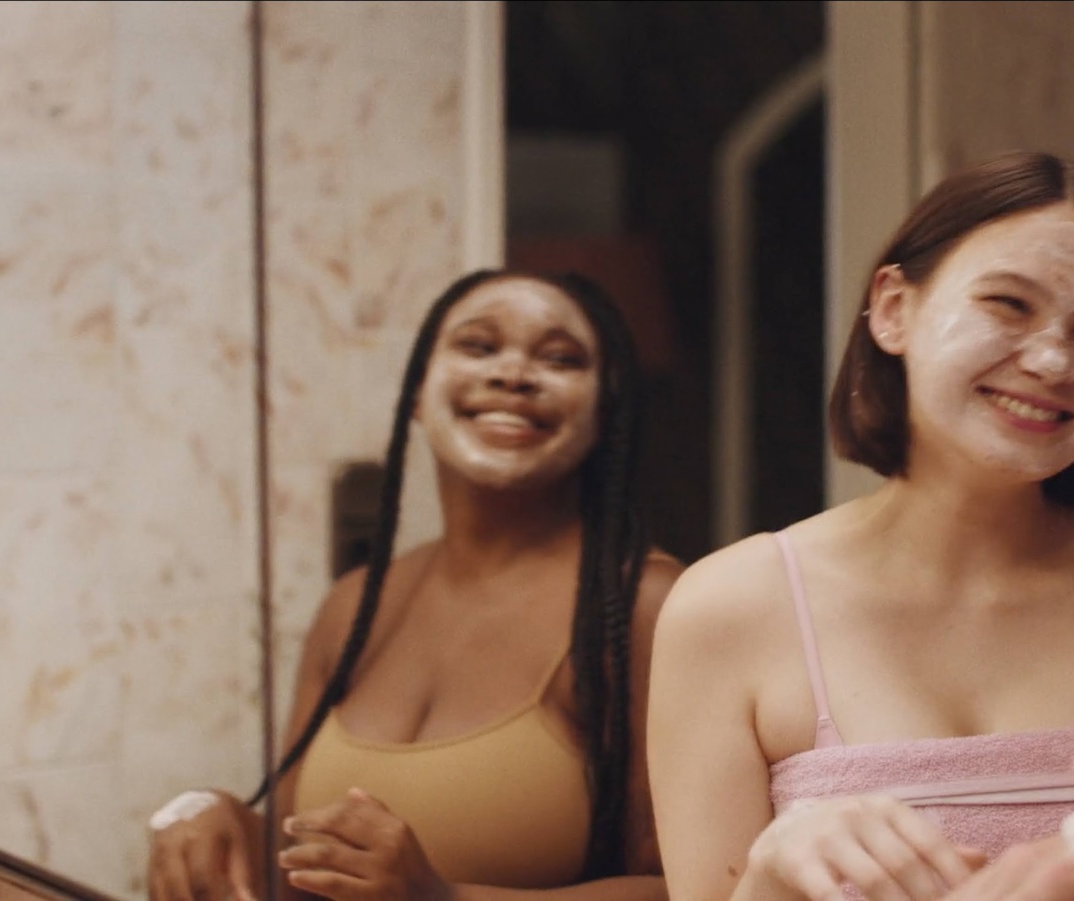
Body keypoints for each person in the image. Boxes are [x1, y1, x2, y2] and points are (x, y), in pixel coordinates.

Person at [648, 151, 1074, 901]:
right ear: (894, 308)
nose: (1054, 359)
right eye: (1009, 304)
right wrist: (772, 871)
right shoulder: (727, 607)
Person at [148, 269, 682, 901]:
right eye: (479, 347)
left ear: (605, 413)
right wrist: (216, 819)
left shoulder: (645, 606)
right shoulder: (353, 606)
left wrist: (444, 898)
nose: (512, 374)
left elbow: (695, 886)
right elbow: (301, 858)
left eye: (560, 358)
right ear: (416, 394)